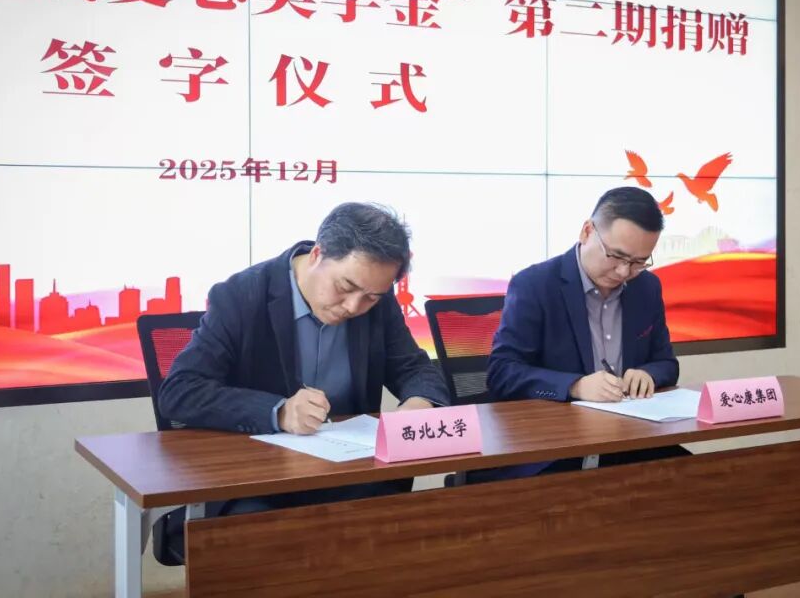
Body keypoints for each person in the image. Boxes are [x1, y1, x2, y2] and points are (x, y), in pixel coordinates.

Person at [156, 202, 450, 560]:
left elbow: (416, 369)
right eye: (345, 286)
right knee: (267, 541)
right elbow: (180, 390)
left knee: (418, 530)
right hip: (258, 484)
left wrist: (421, 402)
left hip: (347, 477)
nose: (353, 306)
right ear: (317, 255)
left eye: (370, 297)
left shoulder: (377, 300)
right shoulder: (242, 295)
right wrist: (278, 412)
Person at [485, 186, 686, 476]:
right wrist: (575, 386)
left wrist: (648, 374)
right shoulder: (535, 284)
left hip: (629, 441)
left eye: (638, 262)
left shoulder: (647, 287)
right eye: (616, 256)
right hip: (554, 448)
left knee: (701, 478)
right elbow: (502, 372)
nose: (623, 272)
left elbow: (666, 363)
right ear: (587, 231)